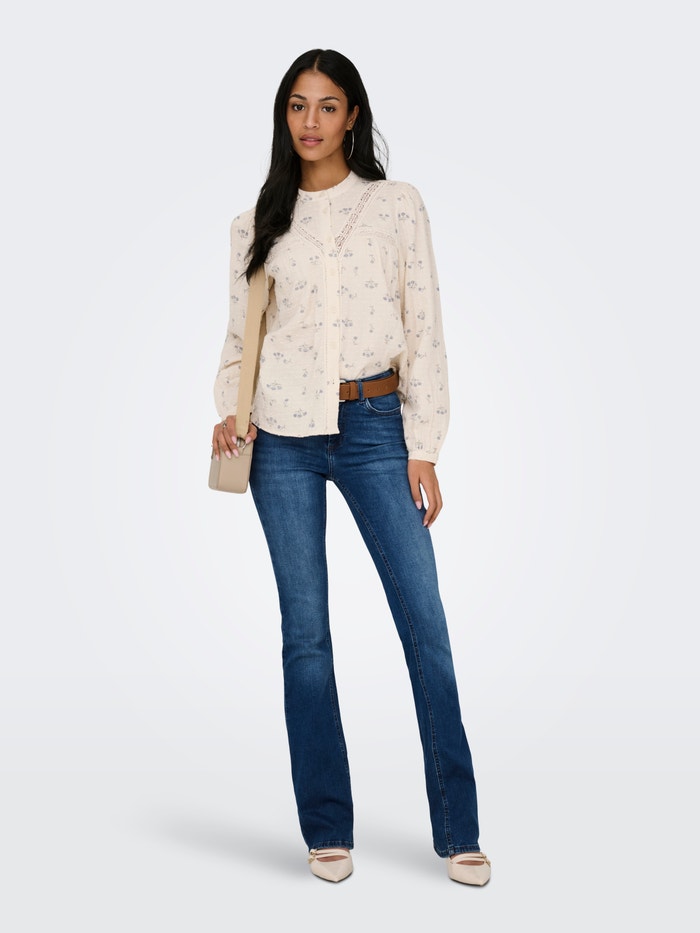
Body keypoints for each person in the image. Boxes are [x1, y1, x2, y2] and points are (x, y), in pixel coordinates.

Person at [211, 48, 490, 886]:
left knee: (425, 624)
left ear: (353, 117)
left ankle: (459, 830)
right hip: (281, 439)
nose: (310, 121)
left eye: (327, 106)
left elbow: (425, 323)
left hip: (375, 426)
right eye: (298, 105)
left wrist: (424, 443)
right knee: (306, 636)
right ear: (284, 116)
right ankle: (326, 825)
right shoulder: (256, 222)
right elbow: (241, 338)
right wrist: (228, 406)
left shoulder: (396, 205)